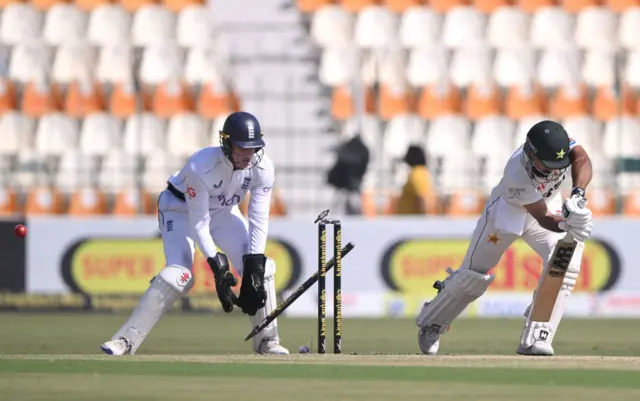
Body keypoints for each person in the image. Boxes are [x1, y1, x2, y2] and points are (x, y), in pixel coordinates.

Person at [100, 111, 289, 356]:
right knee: (180, 275)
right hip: (179, 211)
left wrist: (253, 264)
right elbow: (199, 223)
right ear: (227, 143)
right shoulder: (201, 166)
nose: (247, 155)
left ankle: (268, 341)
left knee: (263, 268)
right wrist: (217, 264)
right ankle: (125, 341)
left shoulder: (262, 168)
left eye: (253, 148)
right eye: (241, 148)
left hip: (222, 211)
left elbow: (259, 218)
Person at [415, 120, 594, 356]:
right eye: (545, 165)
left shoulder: (559, 148)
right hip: (506, 215)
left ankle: (538, 336)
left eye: (556, 166)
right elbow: (542, 218)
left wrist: (578, 194)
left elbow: (581, 157)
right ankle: (432, 322)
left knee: (565, 262)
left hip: (547, 205)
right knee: (473, 278)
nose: (551, 172)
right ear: (531, 153)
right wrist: (567, 223)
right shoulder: (516, 173)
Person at [394, 145, 439, 215]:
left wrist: (422, 221)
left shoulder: (417, 173)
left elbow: (422, 198)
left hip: (412, 221)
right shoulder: (420, 172)